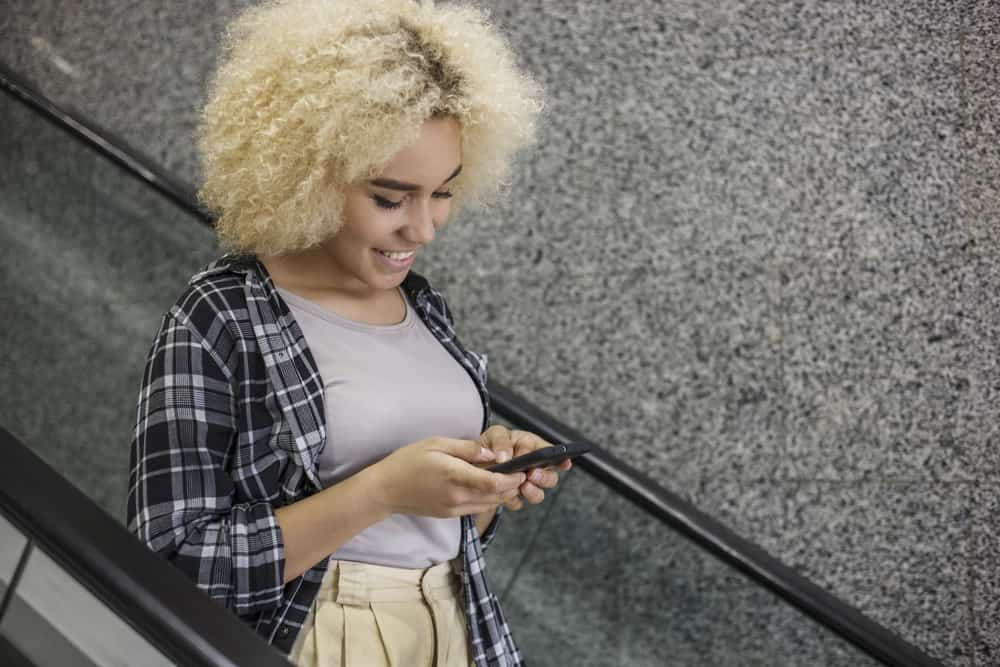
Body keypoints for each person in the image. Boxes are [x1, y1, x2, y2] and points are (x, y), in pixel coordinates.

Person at [126, 1, 565, 665]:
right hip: (318, 637)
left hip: (458, 627)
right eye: (390, 197)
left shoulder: (425, 309)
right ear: (306, 172)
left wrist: (485, 481)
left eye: (442, 191)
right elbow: (173, 556)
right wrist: (383, 488)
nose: (422, 228)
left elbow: (440, 536)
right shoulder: (221, 314)